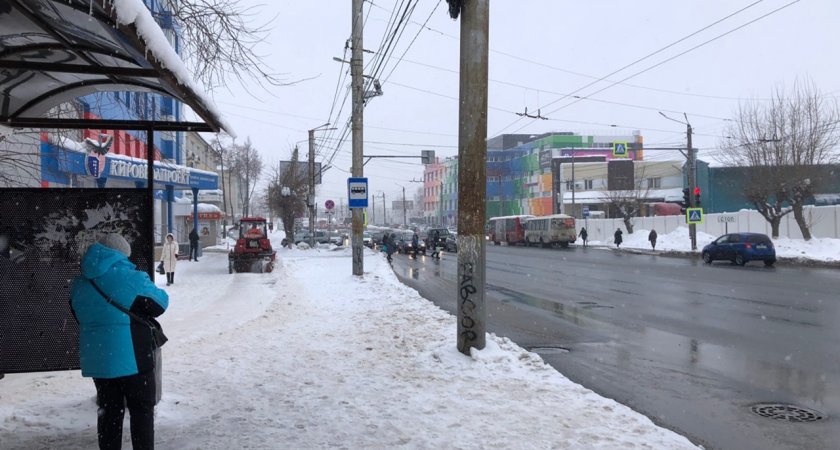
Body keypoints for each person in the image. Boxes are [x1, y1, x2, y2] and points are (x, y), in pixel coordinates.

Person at [70, 233, 169, 450]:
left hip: (98, 361)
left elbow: (79, 316)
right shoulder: (131, 278)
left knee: (108, 412)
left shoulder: (79, 284)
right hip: (134, 359)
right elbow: (160, 304)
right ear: (122, 254)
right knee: (142, 411)